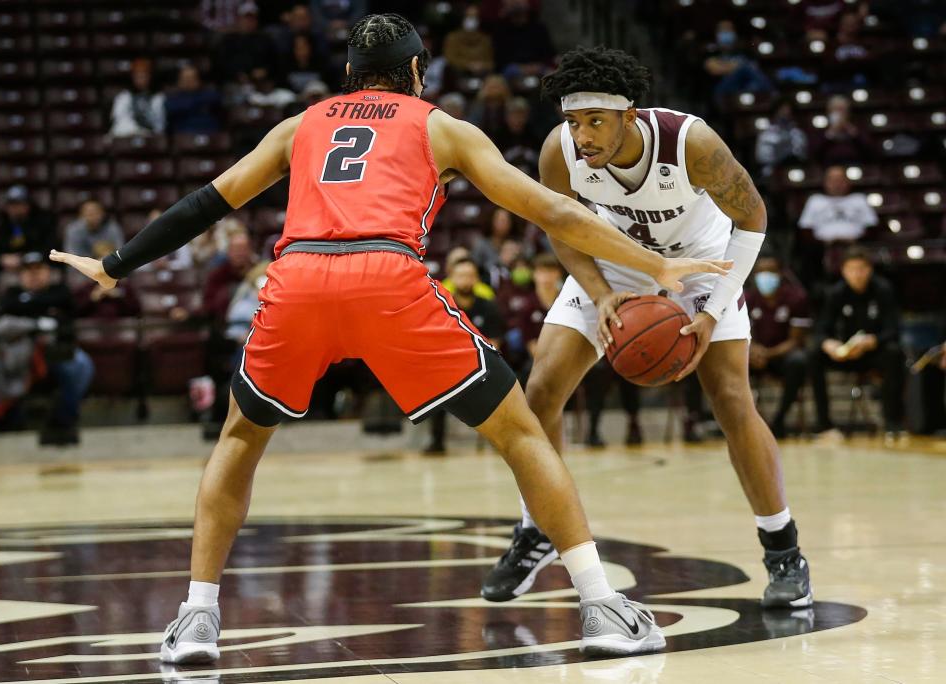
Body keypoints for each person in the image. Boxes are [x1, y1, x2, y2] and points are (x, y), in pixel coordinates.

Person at [51, 13, 728, 662]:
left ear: (349, 71)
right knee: (522, 431)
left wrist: (114, 266)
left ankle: (197, 618)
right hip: (386, 276)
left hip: (298, 277)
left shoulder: (300, 124)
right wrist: (655, 264)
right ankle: (602, 605)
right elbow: (548, 208)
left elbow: (210, 200)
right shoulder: (442, 127)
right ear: (414, 71)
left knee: (239, 437)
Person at [480, 46, 812, 612]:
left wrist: (711, 312)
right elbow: (561, 227)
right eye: (573, 121)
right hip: (612, 262)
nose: (582, 135)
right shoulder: (559, 152)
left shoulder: (693, 144)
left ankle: (783, 549)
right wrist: (604, 291)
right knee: (539, 394)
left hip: (703, 264)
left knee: (732, 399)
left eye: (595, 122)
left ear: (629, 115)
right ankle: (537, 528)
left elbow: (753, 221)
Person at [0, 253, 94, 445]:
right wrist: (41, 320)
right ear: (20, 275)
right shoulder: (12, 294)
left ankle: (61, 420)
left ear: (48, 272)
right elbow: (5, 320)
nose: (34, 275)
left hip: (56, 351)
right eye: (28, 271)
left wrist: (28, 310)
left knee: (82, 365)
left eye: (39, 269)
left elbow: (68, 318)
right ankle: (8, 420)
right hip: (21, 353)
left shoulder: (60, 291)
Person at [809, 247, 905, 439]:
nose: (857, 274)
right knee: (813, 356)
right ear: (843, 270)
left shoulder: (883, 290)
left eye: (861, 269)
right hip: (845, 354)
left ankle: (892, 423)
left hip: (872, 352)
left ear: (869, 269)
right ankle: (824, 425)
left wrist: (873, 341)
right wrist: (829, 344)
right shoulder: (836, 293)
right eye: (851, 269)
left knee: (894, 353)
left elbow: (893, 329)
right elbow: (821, 330)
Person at [423, 258, 505, 455]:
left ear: (476, 279)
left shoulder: (489, 307)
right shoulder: (440, 307)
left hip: (482, 364)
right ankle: (437, 441)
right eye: (461, 276)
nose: (465, 281)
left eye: (469, 276)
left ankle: (500, 440)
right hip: (448, 364)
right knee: (434, 383)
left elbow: (494, 343)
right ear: (452, 278)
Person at [745, 255, 812, 437]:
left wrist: (768, 354)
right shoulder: (747, 299)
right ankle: (743, 422)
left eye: (770, 272)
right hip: (754, 357)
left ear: (781, 274)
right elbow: (740, 334)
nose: (765, 276)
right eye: (761, 272)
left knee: (799, 361)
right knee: (730, 360)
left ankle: (779, 420)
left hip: (782, 357)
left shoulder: (797, 297)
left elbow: (797, 340)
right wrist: (752, 350)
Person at [797, 165, 878, 280]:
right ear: (825, 182)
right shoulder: (815, 200)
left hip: (856, 246)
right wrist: (824, 242)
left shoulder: (859, 199)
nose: (836, 184)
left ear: (847, 182)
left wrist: (855, 240)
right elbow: (805, 230)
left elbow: (873, 228)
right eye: (832, 180)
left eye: (840, 180)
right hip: (822, 248)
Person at [0, 186, 58, 272]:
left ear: (28, 205)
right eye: (12, 204)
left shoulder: (42, 222)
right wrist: (1, 259)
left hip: (36, 266)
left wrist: (24, 258)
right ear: (6, 206)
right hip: (8, 270)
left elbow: (51, 250)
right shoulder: (0, 225)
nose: (16, 208)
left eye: (20, 203)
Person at [810, 95, 875, 166]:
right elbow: (814, 153)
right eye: (835, 110)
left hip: (854, 166)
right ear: (828, 112)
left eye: (842, 110)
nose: (839, 114)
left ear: (848, 112)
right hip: (828, 168)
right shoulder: (820, 130)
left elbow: (870, 151)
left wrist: (851, 130)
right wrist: (831, 132)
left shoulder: (858, 129)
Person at [109, 59, 165, 138]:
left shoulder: (158, 98)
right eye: (138, 76)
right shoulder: (124, 97)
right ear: (132, 77)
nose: (141, 79)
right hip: (127, 134)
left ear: (149, 77)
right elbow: (118, 119)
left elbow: (159, 124)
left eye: (143, 76)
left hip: (149, 136)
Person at [755, 99, 808, 179]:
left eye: (788, 112)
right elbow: (762, 158)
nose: (785, 114)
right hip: (772, 170)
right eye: (782, 111)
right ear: (776, 113)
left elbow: (803, 155)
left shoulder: (798, 133)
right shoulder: (766, 134)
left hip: (794, 169)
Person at [165, 65, 222, 135]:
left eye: (192, 78)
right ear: (179, 81)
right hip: (185, 133)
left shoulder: (208, 93)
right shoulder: (173, 97)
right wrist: (197, 104)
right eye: (186, 79)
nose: (189, 81)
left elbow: (216, 98)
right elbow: (172, 108)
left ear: (198, 80)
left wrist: (192, 103)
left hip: (209, 130)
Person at [442, 4, 494, 75]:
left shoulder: (485, 39)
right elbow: (449, 58)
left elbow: (490, 62)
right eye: (469, 17)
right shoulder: (452, 38)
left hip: (481, 74)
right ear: (463, 18)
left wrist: (481, 66)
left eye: (474, 17)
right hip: (458, 74)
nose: (471, 20)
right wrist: (468, 65)